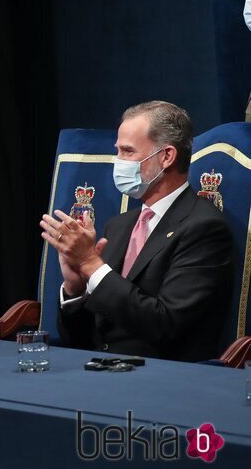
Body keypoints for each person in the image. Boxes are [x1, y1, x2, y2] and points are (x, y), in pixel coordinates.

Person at [41, 101, 233, 362]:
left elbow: (165, 324)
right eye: (117, 151)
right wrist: (76, 289)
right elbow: (79, 340)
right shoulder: (118, 226)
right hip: (98, 373)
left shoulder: (204, 228)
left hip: (161, 381)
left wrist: (91, 264)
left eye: (127, 151)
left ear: (166, 156)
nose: (117, 161)